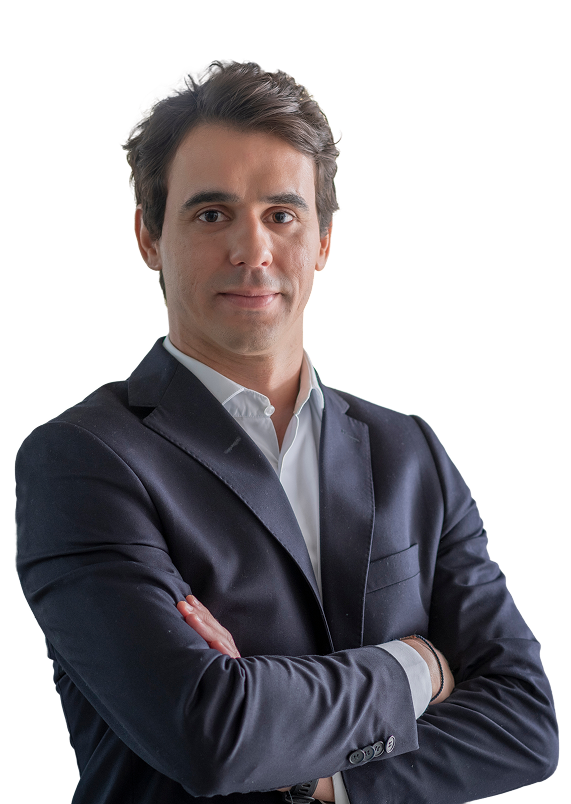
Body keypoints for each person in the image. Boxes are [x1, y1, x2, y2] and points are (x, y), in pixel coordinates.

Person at [14, 59, 558, 803]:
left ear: (324, 239)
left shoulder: (409, 451)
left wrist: (320, 776)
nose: (253, 251)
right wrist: (421, 666)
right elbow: (209, 734)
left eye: (281, 214)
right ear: (148, 236)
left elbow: (525, 724)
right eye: (212, 214)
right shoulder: (81, 460)